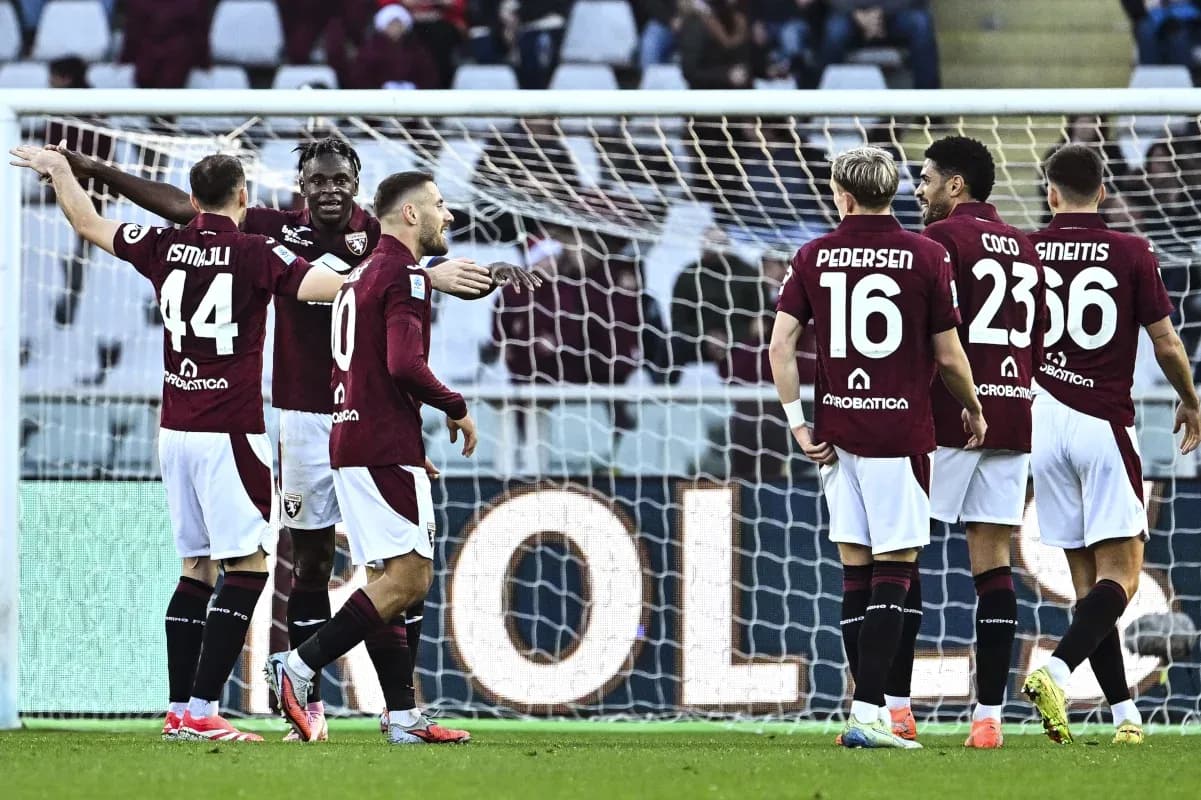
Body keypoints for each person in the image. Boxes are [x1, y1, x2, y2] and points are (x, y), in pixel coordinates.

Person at [51, 137, 538, 741]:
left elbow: (406, 275)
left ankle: (398, 709)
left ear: (357, 183)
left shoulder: (383, 237)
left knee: (390, 566)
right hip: (301, 419)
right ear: (298, 185)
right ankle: (310, 707)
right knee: (311, 562)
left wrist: (471, 274)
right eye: (318, 179)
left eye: (340, 178)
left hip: (364, 412)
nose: (329, 188)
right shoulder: (271, 232)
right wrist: (96, 167)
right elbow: (187, 208)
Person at [9, 146, 348, 741]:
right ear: (243, 197)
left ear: (192, 201)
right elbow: (332, 288)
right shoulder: (255, 252)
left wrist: (61, 171)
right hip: (230, 432)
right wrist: (413, 273)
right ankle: (201, 709)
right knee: (248, 567)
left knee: (195, 568)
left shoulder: (163, 244)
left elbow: (87, 224)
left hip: (174, 432)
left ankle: (177, 712)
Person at [769, 145, 985, 749]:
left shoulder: (812, 256)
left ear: (842, 194)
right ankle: (871, 713)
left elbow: (780, 347)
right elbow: (947, 356)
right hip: (901, 434)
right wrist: (972, 406)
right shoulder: (927, 254)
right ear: (891, 191)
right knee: (896, 571)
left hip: (837, 435)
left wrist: (797, 424)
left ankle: (866, 712)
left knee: (855, 576)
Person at [266, 171, 478, 745]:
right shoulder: (404, 275)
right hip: (379, 444)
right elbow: (404, 365)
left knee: (387, 575)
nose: (448, 216)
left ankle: (404, 719)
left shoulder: (358, 275)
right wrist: (456, 406)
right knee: (411, 576)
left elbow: (359, 369)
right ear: (410, 215)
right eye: (438, 205)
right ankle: (299, 665)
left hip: (353, 438)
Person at [1024, 144, 1201, 745]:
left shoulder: (1025, 251)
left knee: (1086, 588)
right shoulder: (1130, 250)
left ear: (1051, 193)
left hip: (1042, 422)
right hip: (1102, 422)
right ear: (1103, 192)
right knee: (1121, 580)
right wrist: (1191, 398)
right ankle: (1053, 671)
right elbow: (1167, 343)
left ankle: (1126, 718)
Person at [909, 136, 1045, 749]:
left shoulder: (938, 243)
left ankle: (893, 709)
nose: (918, 189)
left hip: (952, 416)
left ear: (955, 184)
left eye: (926, 178)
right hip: (1013, 414)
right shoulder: (1024, 245)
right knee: (993, 567)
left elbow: (929, 337)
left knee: (898, 555)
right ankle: (988, 717)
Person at [817, 1, 941, 90]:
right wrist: (855, 13)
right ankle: (822, 105)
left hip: (896, 12)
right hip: (848, 14)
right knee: (835, 31)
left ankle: (929, 112)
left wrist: (881, 12)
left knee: (921, 24)